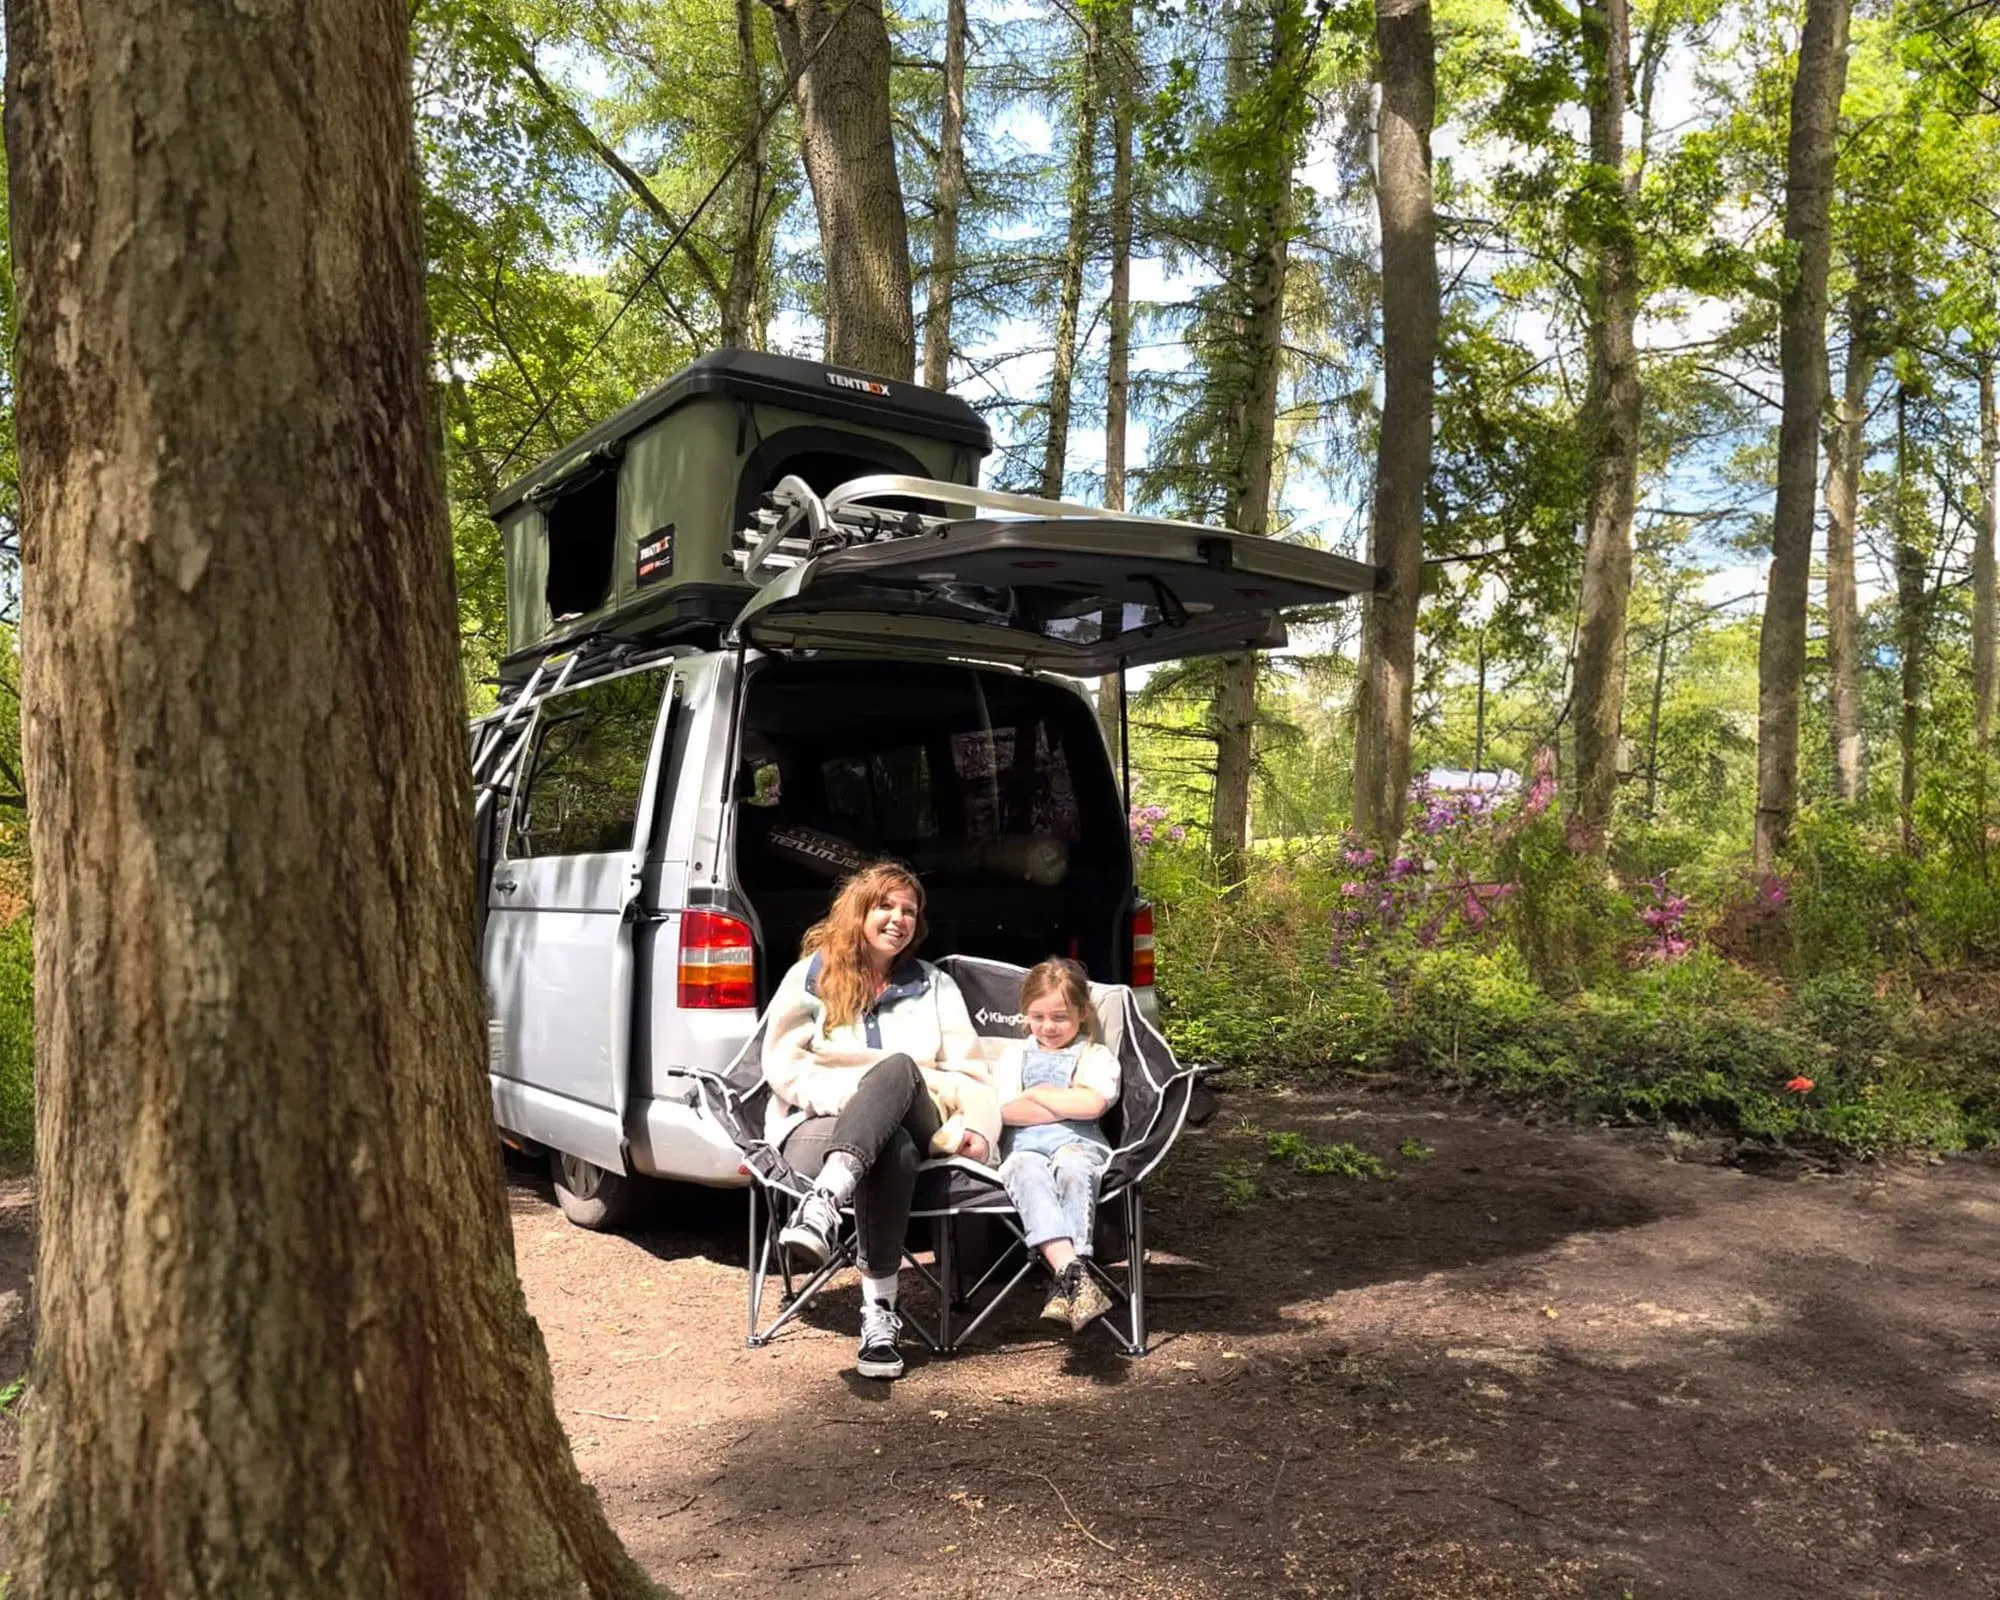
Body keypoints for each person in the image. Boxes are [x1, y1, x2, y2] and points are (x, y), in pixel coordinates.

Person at [761, 862, 999, 1380]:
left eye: (909, 911)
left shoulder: (933, 985)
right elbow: (783, 1063)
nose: (898, 919)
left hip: (921, 1110)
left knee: (897, 1069)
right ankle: (879, 1317)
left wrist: (979, 1125)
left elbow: (971, 1070)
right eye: (885, 907)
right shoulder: (812, 976)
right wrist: (845, 1100)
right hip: (819, 1122)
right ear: (859, 912)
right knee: (891, 1151)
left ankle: (823, 1204)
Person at [994, 958, 1120, 1332]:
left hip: (1078, 1145)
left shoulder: (1095, 1055)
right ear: (1025, 1015)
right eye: (1038, 1017)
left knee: (1073, 1168)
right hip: (1024, 1149)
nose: (1048, 1027)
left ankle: (1070, 1276)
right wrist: (1066, 1099)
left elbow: (1093, 1105)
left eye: (1060, 1017)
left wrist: (1038, 1093)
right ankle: (1074, 1277)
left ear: (1082, 1013)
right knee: (1025, 1172)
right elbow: (1004, 1110)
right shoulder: (1013, 1056)